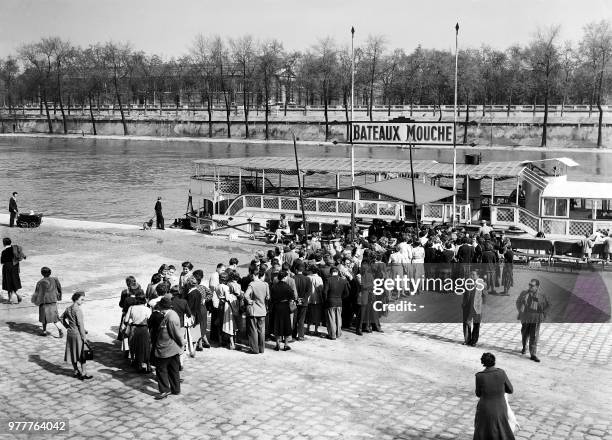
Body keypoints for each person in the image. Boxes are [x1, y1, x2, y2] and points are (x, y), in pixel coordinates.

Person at [473, 352, 515, 440]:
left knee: (483, 430)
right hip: (500, 407)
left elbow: (478, 394)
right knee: (501, 431)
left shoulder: (479, 376)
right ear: (494, 361)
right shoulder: (501, 372)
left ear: (483, 363)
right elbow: (510, 390)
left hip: (485, 408)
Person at [153, 296, 184, 399]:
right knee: (173, 369)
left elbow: (176, 334)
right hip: (172, 349)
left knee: (161, 370)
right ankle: (176, 389)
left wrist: (181, 345)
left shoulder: (170, 318)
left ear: (162, 307)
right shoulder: (171, 314)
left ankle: (164, 390)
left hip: (166, 349)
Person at [515, 279, 549, 363]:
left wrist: (543, 314)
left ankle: (533, 354)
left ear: (537, 287)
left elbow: (547, 306)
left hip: (535, 318)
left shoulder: (541, 295)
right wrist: (521, 310)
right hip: (526, 317)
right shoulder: (524, 293)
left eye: (532, 285)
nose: (530, 286)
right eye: (529, 284)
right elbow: (518, 302)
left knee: (534, 335)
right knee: (524, 333)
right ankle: (524, 346)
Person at [61, 291, 92, 380]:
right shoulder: (77, 310)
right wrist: (84, 337)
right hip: (78, 334)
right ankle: (83, 372)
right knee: (82, 354)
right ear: (76, 299)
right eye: (82, 299)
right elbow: (80, 324)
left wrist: (67, 327)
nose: (83, 301)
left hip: (70, 333)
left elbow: (61, 318)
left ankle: (75, 371)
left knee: (73, 353)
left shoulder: (68, 308)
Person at [124, 292, 152, 373]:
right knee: (145, 347)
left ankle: (137, 363)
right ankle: (146, 365)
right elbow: (150, 320)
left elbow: (126, 320)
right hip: (144, 329)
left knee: (135, 347)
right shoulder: (147, 309)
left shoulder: (131, 308)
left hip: (134, 328)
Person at [244, 267, 269, 354]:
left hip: (254, 310)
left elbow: (246, 295)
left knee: (253, 330)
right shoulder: (265, 284)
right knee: (261, 331)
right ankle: (262, 349)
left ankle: (254, 349)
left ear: (253, 275)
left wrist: (250, 301)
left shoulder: (252, 284)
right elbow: (268, 297)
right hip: (262, 310)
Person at [32, 266, 63, 337]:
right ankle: (60, 330)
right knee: (55, 318)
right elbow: (59, 289)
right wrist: (59, 297)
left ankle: (44, 331)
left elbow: (37, 293)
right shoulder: (55, 280)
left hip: (44, 302)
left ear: (42, 273)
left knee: (44, 318)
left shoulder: (40, 282)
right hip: (53, 301)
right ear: (50, 273)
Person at [323, 266, 349, 340]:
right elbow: (347, 293)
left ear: (331, 272)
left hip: (330, 301)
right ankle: (338, 333)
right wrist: (341, 297)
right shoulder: (343, 281)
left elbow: (324, 292)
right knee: (338, 319)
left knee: (331, 319)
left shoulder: (328, 280)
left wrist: (326, 300)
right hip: (339, 301)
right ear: (337, 272)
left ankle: (332, 335)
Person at [270, 270, 293, 351]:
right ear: (285, 277)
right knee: (286, 325)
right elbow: (291, 297)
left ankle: (277, 345)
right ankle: (286, 345)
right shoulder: (287, 286)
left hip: (276, 307)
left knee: (277, 325)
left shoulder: (274, 286)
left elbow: (271, 298)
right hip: (285, 307)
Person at [462, 270, 485, 346]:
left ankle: (474, 341)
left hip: (476, 307)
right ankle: (467, 339)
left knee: (476, 324)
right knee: (467, 323)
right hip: (468, 306)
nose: (471, 276)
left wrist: (481, 304)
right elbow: (464, 293)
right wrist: (464, 303)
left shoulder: (482, 284)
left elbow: (484, 295)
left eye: (473, 274)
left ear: (478, 276)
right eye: (471, 274)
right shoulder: (468, 282)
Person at [292, 261, 312, 341]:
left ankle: (293, 335)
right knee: (301, 320)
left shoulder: (293, 278)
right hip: (304, 302)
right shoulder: (307, 279)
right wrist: (303, 299)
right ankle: (301, 336)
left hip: (295, 301)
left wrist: (297, 299)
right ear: (303, 270)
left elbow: (292, 290)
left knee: (294, 319)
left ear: (296, 270)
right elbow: (309, 291)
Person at [1, 237, 25, 303]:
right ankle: (17, 296)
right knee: (14, 281)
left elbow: (2, 261)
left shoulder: (4, 252)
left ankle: (10, 299)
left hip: (7, 267)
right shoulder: (15, 248)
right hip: (15, 266)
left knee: (8, 282)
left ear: (4, 243)